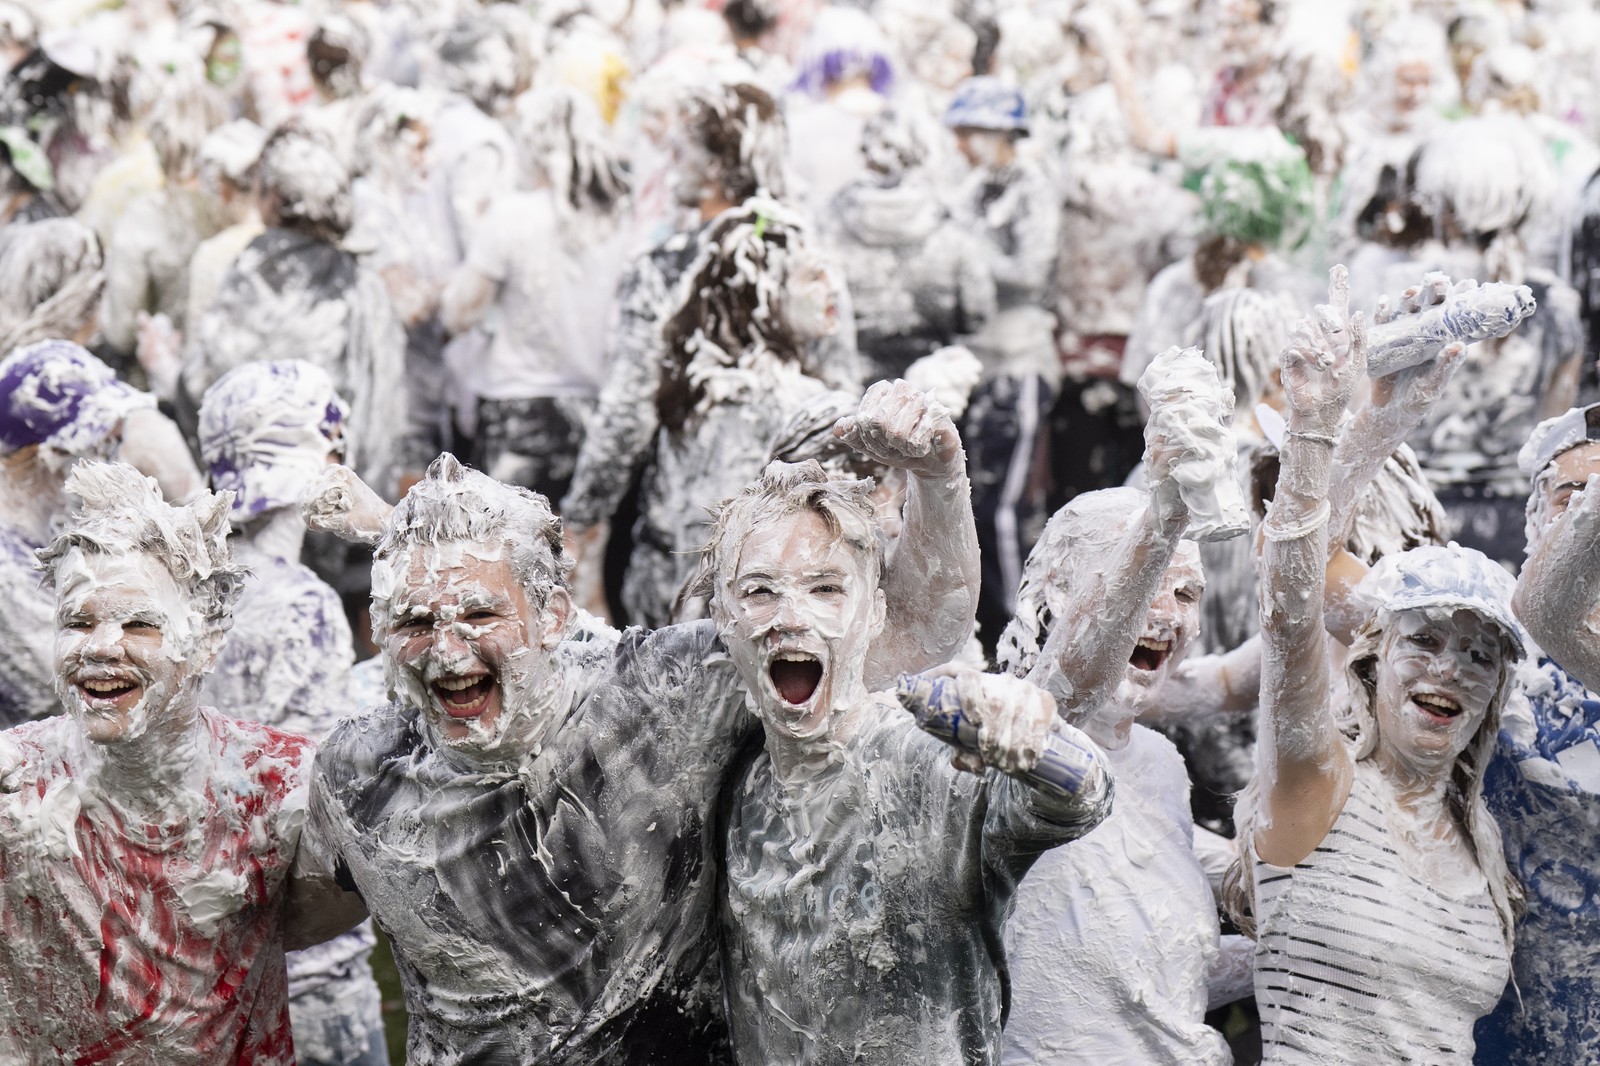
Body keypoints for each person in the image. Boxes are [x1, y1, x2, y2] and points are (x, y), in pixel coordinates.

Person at [295, 384, 980, 1063]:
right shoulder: (362, 772)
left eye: (480, 617)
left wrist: (940, 475)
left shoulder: (664, 695)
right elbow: (298, 915)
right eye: (415, 623)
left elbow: (916, 633)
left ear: (554, 618)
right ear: (381, 632)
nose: (446, 653)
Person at [706, 460, 1113, 1064]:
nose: (791, 618)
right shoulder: (735, 785)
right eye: (760, 591)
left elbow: (1082, 799)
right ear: (723, 621)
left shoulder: (928, 762)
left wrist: (1035, 736)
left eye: (825, 588)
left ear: (874, 613)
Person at [1227, 269, 1522, 1062]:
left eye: (1479, 654)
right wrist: (1367, 423)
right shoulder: (1317, 776)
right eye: (1422, 641)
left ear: (1496, 692)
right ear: (1373, 656)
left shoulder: (1481, 837)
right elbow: (1289, 596)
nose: (1450, 669)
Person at [0, 461, 355, 1064]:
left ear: (206, 642)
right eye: (77, 621)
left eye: (140, 624)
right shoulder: (14, 785)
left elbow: (318, 916)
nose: (101, 647)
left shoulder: (281, 785)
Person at [197, 360, 390, 1066]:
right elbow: (316, 784)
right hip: (305, 964)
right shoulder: (299, 603)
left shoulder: (196, 581)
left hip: (202, 941)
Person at [564, 198, 856, 627]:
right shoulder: (749, 405)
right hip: (710, 636)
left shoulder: (716, 387)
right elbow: (708, 554)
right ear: (763, 291)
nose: (832, 288)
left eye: (830, 271)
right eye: (813, 275)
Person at [1475, 401, 1600, 1061]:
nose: (1584, 514)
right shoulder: (1488, 637)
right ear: (1533, 516)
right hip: (1506, 996)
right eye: (1569, 495)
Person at [0, 339, 200, 726]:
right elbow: (86, 695)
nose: (112, 458)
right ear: (49, 454)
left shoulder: (40, 530)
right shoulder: (7, 570)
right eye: (104, 442)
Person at [942, 76, 1061, 655]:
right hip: (973, 361)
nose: (961, 144)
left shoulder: (1030, 187)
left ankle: (1024, 639)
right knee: (964, 504)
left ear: (1000, 133)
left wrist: (966, 253)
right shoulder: (971, 188)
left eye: (970, 132)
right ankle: (976, 632)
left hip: (1018, 361)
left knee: (1002, 510)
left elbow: (1031, 270)